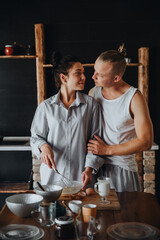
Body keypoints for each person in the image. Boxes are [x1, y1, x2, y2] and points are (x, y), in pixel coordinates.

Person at [82, 48, 153, 192]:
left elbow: (146, 141)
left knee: (126, 214)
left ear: (116, 78)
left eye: (100, 75)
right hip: (95, 167)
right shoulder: (94, 92)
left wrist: (107, 150)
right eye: (94, 70)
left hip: (122, 169)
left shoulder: (134, 98)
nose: (93, 77)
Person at [30, 52, 104, 187]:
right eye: (78, 73)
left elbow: (95, 141)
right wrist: (43, 146)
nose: (84, 77)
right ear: (63, 78)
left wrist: (89, 169)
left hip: (81, 178)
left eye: (83, 72)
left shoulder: (91, 105)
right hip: (53, 179)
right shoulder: (46, 107)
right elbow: (35, 138)